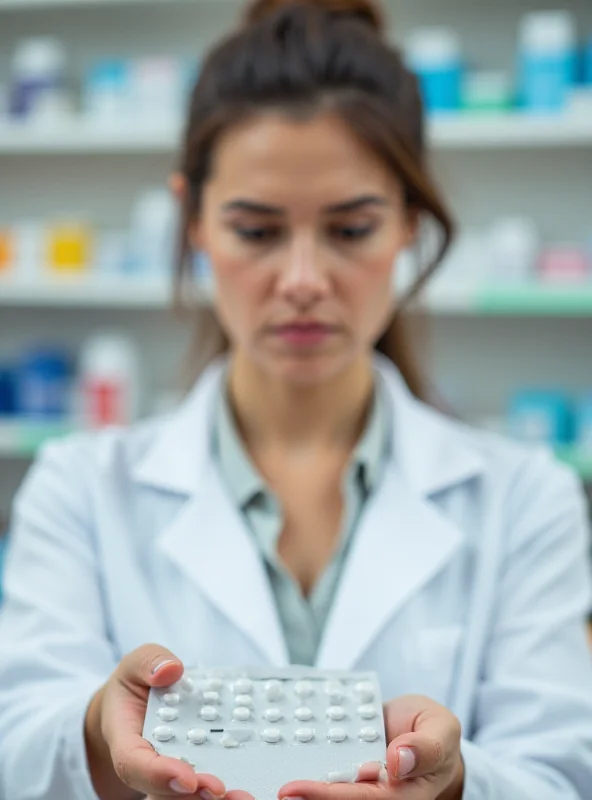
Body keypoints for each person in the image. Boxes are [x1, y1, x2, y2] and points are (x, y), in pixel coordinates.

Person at [1, 1, 592, 798]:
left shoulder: (527, 499)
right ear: (194, 222)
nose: (305, 280)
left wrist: (457, 786)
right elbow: (16, 750)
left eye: (350, 230)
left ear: (408, 227)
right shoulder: (79, 487)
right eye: (256, 230)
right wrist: (98, 735)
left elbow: (561, 776)